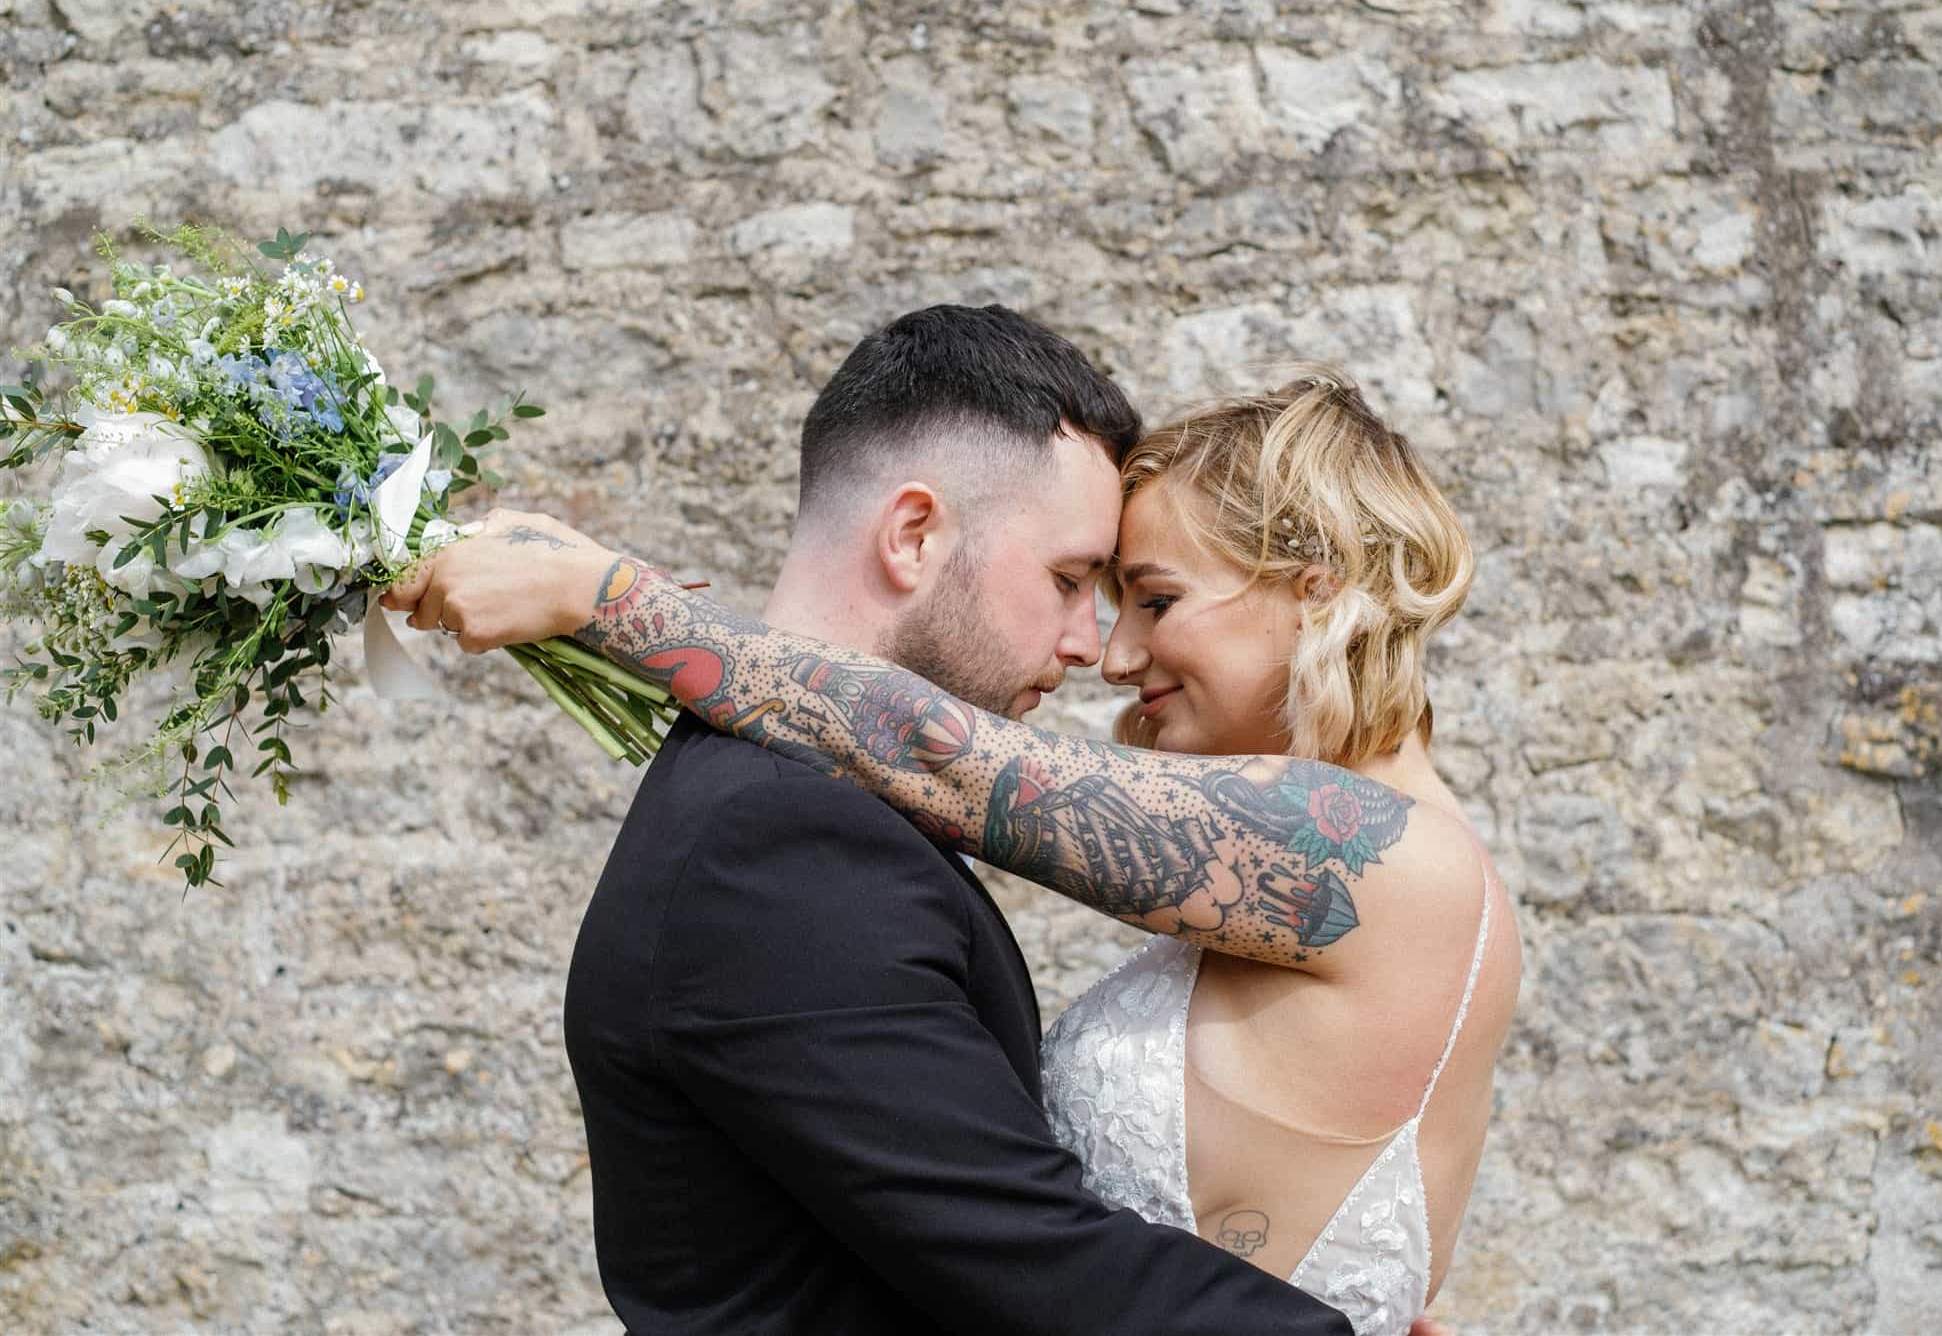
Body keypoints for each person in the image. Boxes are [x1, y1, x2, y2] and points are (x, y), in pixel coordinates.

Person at [394, 348, 1519, 1333]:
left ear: (1311, 598)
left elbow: (935, 756)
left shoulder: (1367, 850)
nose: (1112, 656)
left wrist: (603, 596)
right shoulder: (1351, 861)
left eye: (1152, 599)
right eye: (1088, 589)